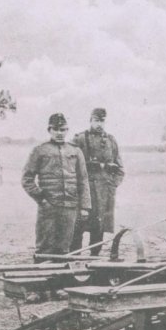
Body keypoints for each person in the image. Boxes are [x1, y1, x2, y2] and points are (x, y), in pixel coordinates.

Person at [22, 113, 91, 259]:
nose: (60, 133)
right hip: (49, 206)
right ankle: (41, 273)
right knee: (44, 247)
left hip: (70, 206)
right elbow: (27, 179)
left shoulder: (75, 151)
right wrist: (41, 198)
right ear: (49, 130)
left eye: (63, 129)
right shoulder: (40, 150)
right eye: (56, 129)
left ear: (67, 130)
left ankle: (62, 273)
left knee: (65, 248)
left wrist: (85, 206)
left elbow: (83, 180)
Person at [70, 108, 125, 255]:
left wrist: (112, 185)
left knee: (98, 228)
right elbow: (70, 165)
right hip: (84, 192)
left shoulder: (111, 141)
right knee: (78, 226)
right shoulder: (80, 139)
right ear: (90, 120)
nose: (99, 124)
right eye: (96, 120)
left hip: (103, 194)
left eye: (102, 121)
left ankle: (94, 258)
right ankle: (74, 258)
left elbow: (120, 169)